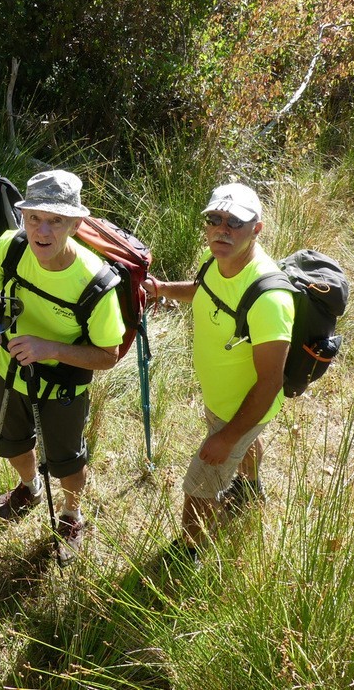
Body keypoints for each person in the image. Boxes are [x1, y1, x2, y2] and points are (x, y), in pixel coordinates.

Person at [0, 170, 125, 566]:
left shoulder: (96, 281)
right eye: (34, 217)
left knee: (67, 460)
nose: (42, 230)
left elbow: (108, 354)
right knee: (12, 444)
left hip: (63, 387)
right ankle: (29, 486)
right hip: (8, 368)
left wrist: (47, 348)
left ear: (75, 224)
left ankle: (72, 514)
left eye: (55, 220)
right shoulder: (11, 246)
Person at [143, 182, 294, 560]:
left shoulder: (269, 298)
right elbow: (203, 291)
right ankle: (250, 488)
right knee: (240, 451)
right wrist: (161, 288)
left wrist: (227, 437)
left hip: (241, 410)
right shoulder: (218, 261)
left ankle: (190, 551)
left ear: (256, 229)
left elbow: (271, 382)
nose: (221, 229)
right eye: (215, 219)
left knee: (199, 486)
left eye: (234, 222)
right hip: (222, 400)